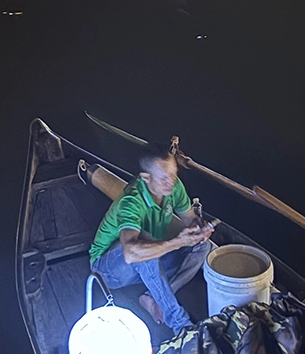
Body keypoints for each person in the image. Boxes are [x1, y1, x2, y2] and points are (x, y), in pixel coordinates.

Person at [89, 142, 214, 333]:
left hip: (147, 261)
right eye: (164, 178)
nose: (170, 182)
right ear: (146, 178)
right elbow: (131, 253)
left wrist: (200, 228)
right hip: (107, 272)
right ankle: (180, 323)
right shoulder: (131, 201)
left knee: (202, 247)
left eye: (173, 175)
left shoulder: (174, 187)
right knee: (143, 245)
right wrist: (178, 242)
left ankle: (153, 297)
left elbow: (190, 218)